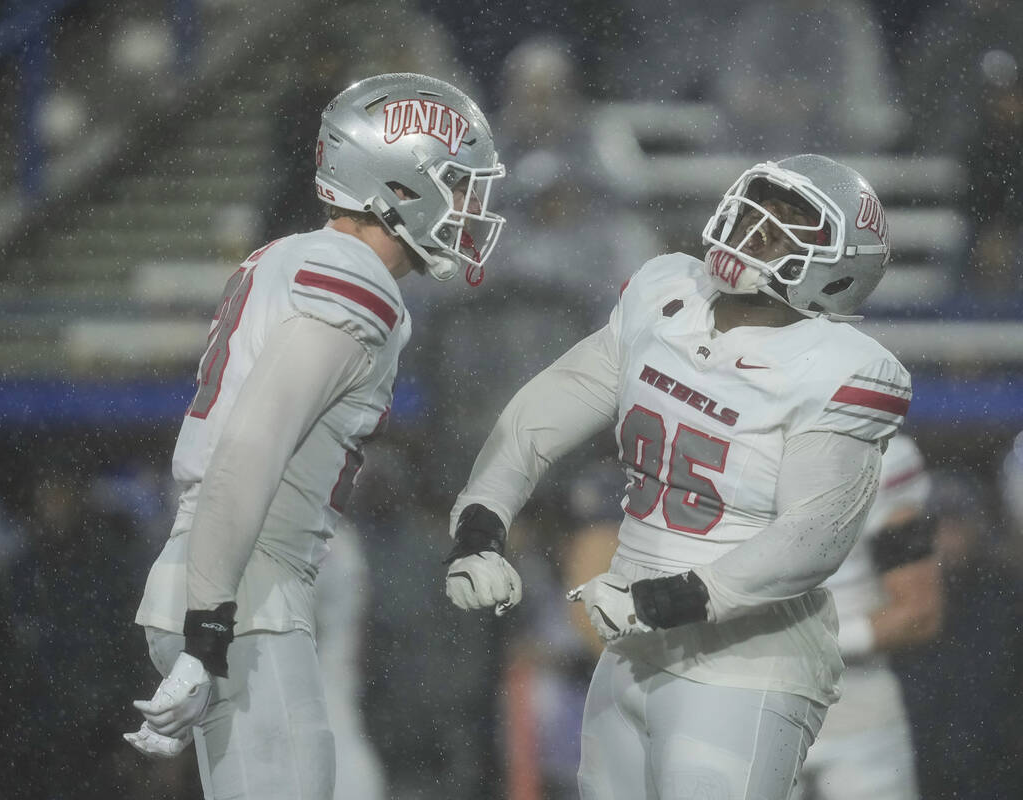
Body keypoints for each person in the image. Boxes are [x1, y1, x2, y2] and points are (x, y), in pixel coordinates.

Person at [442, 154, 910, 799]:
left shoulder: (841, 368)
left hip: (745, 663)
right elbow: (550, 406)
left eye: (789, 223)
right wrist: (482, 517)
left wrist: (663, 601)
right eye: (758, 207)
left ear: (839, 270)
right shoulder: (668, 293)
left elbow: (812, 539)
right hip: (630, 646)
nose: (756, 228)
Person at [123, 72, 506, 800]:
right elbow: (250, 444)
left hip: (227, 574)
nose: (468, 207)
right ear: (398, 185)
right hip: (245, 585)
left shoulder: (290, 257)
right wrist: (208, 628)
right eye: (456, 183)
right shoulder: (353, 280)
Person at [794, 433, 942, 800]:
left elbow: (920, 613)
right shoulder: (724, 437)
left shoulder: (880, 455)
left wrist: (811, 644)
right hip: (744, 704)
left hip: (854, 710)